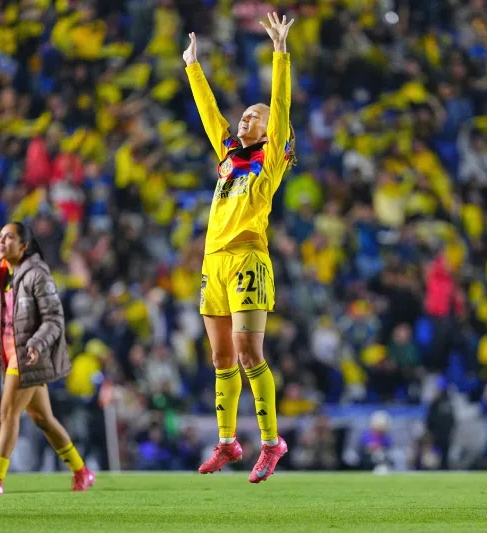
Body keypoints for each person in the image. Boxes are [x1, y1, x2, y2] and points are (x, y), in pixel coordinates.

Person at [182, 12, 296, 482]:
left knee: (250, 352)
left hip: (249, 257)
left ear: (270, 132)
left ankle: (271, 443)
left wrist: (280, 53)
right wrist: (193, 66)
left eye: (255, 115)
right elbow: (210, 113)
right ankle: (228, 442)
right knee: (221, 358)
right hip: (215, 262)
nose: (246, 117)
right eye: (245, 114)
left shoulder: (269, 164)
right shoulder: (229, 158)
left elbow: (280, 106)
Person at [0, 222, 94, 494]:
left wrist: (36, 344)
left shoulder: (37, 275)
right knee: (43, 419)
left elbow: (54, 319)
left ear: (23, 246)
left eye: (8, 237)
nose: (0, 241)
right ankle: (82, 471)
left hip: (29, 357)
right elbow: (1, 319)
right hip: (11, 356)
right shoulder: (1, 275)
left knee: (7, 413)